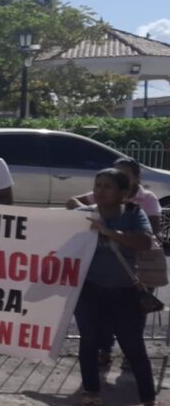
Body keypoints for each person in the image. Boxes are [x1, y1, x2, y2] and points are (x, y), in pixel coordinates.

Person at [69, 168, 169, 406]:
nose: (100, 191)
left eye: (107, 187)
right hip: (89, 290)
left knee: (133, 346)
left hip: (124, 292)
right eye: (97, 185)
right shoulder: (84, 214)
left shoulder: (134, 214)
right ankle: (91, 392)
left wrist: (109, 232)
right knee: (89, 341)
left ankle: (149, 402)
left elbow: (144, 242)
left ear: (123, 193)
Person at [66, 157, 162, 368]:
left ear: (135, 178)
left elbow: (151, 234)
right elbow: (72, 202)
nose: (117, 176)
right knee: (103, 314)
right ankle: (105, 349)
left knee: (136, 313)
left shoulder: (146, 200)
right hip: (103, 269)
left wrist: (116, 231)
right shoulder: (104, 192)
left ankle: (131, 354)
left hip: (139, 266)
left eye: (124, 174)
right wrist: (91, 213)